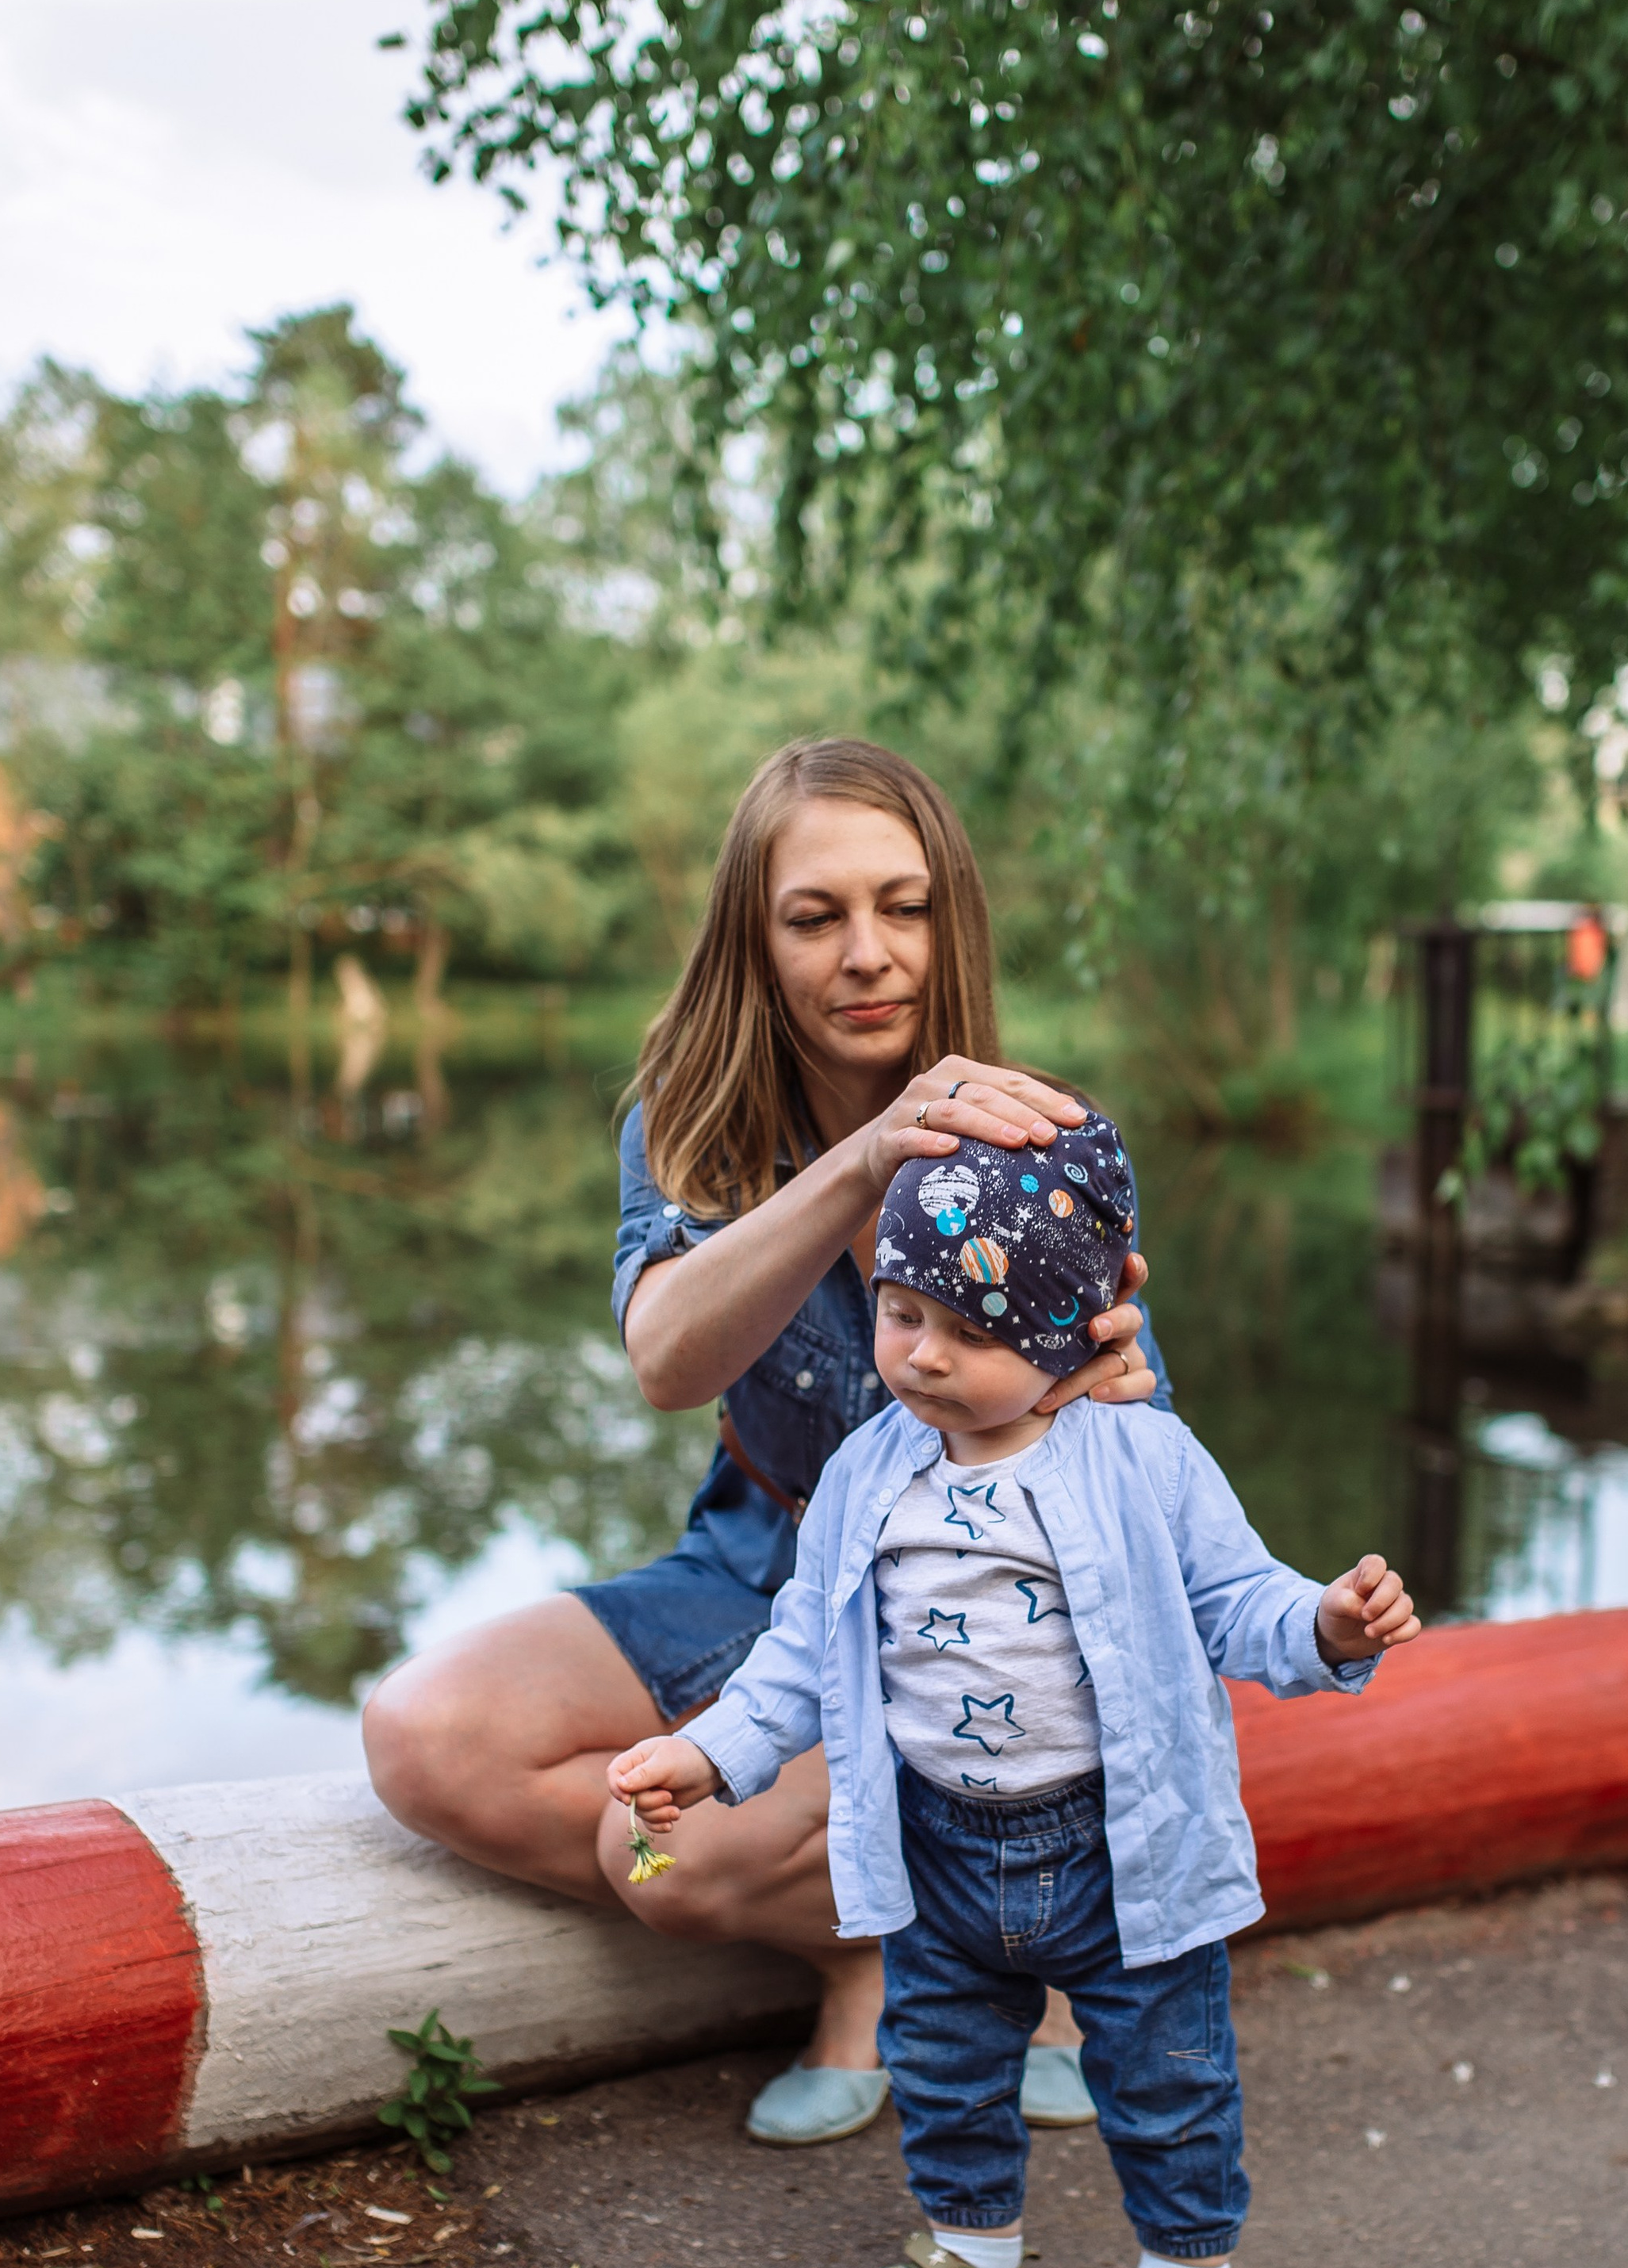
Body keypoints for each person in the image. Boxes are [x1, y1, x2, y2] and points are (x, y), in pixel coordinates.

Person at [362, 737, 1166, 2146]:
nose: (869, 954)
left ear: (949, 920)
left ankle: (1025, 1952)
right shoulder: (688, 1126)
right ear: (756, 935)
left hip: (976, 1612)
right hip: (760, 1560)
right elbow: (671, 1362)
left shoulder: (1045, 1141)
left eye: (903, 908)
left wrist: (1120, 1397)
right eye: (817, 916)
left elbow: (1137, 1461)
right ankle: (868, 1941)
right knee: (424, 1736)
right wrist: (862, 1162)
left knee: (656, 1853)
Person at [604, 1105, 1421, 2268]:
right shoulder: (870, 1470)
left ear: (1057, 1339)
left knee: (1165, 2075)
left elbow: (1236, 1599)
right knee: (943, 2065)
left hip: (1118, 1840)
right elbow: (801, 1652)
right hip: (934, 1838)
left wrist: (1325, 1623)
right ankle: (979, 2267)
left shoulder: (1140, 1456)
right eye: (905, 1313)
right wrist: (708, 1755)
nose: (921, 1357)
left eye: (970, 1336)